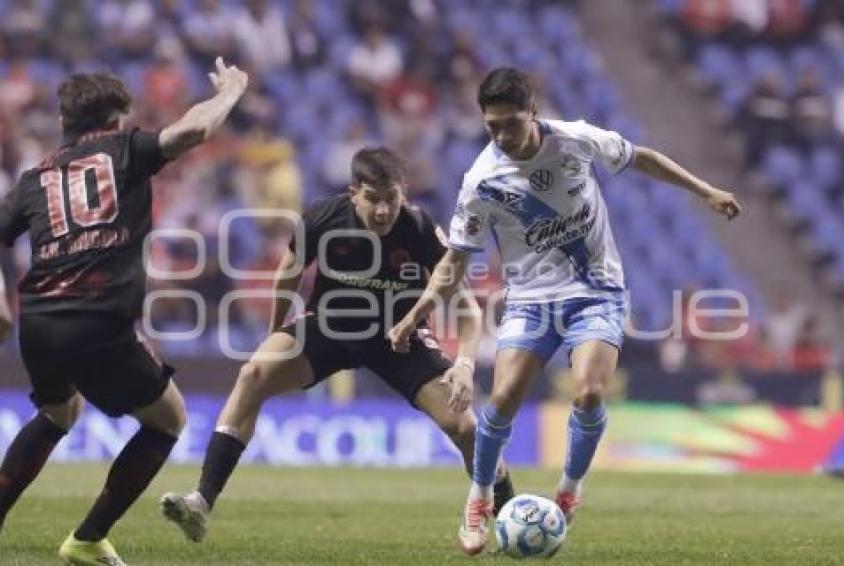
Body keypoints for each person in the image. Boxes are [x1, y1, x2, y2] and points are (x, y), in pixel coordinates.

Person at [389, 67, 742, 555]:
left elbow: (643, 159)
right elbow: (454, 261)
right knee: (504, 397)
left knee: (590, 393)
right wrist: (417, 312)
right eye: (492, 126)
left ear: (533, 112)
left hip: (595, 291)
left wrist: (706, 191)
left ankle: (570, 490)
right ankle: (479, 498)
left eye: (510, 123)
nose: (502, 135)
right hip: (531, 300)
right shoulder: (482, 180)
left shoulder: (574, 139)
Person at [159, 147, 514, 543]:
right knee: (253, 373)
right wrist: (277, 334)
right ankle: (201, 502)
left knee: (463, 426)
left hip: (399, 337)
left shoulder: (419, 229)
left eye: (391, 199)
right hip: (329, 327)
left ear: (404, 193)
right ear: (353, 193)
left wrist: (464, 364)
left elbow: (465, 307)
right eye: (373, 199)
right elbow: (287, 277)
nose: (382, 210)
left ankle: (507, 514)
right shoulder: (322, 219)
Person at [0, 57, 247, 565]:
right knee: (168, 420)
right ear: (116, 120)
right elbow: (197, 128)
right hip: (96, 319)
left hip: (38, 322)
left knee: (58, 411)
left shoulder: (34, 178)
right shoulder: (126, 149)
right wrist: (230, 92)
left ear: (65, 123)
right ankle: (87, 539)